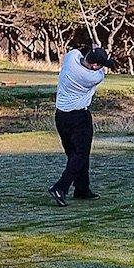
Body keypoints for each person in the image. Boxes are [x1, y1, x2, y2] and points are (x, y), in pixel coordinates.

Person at [49, 40, 108, 205]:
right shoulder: (94, 77)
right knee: (80, 155)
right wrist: (103, 57)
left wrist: (93, 49)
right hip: (79, 117)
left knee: (74, 155)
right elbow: (101, 70)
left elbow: (78, 51)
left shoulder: (71, 58)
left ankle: (82, 189)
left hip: (61, 117)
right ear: (95, 65)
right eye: (99, 65)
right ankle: (60, 188)